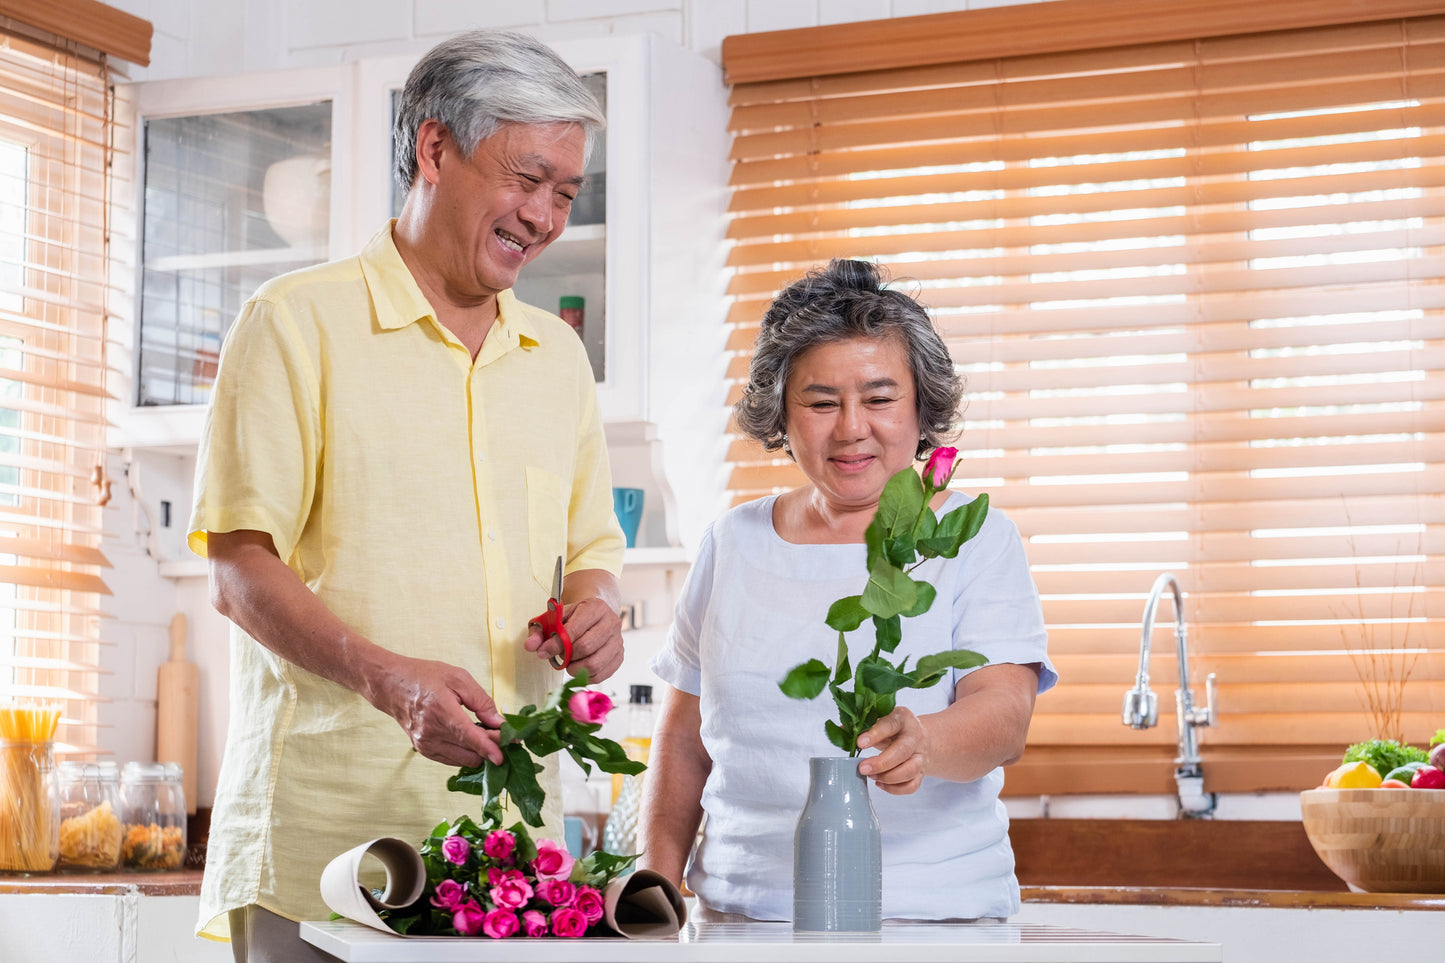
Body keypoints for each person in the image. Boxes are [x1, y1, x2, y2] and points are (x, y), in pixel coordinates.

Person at [187, 31, 626, 960]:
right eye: (526, 178)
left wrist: (595, 613)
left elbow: (590, 552)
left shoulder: (557, 359)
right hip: (323, 848)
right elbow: (237, 569)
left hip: (508, 863)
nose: (543, 216)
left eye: (564, 193)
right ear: (434, 149)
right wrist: (386, 678)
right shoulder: (295, 322)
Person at [637, 259, 1056, 923]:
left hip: (931, 917)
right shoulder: (731, 542)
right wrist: (654, 882)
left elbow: (1005, 714)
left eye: (879, 399)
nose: (851, 427)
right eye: (821, 401)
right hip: (740, 918)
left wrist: (925, 740)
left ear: (921, 407)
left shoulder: (974, 538)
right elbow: (685, 736)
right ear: (782, 412)